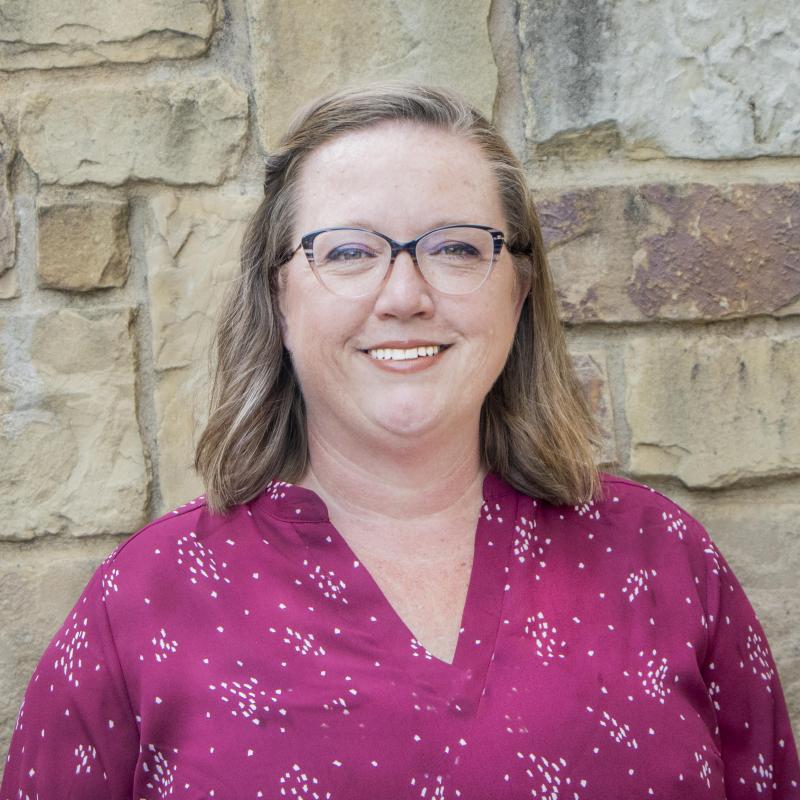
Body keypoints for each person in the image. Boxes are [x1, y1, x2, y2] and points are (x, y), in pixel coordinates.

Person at [2, 83, 798, 799]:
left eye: (456, 248)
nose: (406, 295)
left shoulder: (660, 559)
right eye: (348, 252)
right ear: (279, 299)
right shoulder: (147, 599)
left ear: (519, 293)